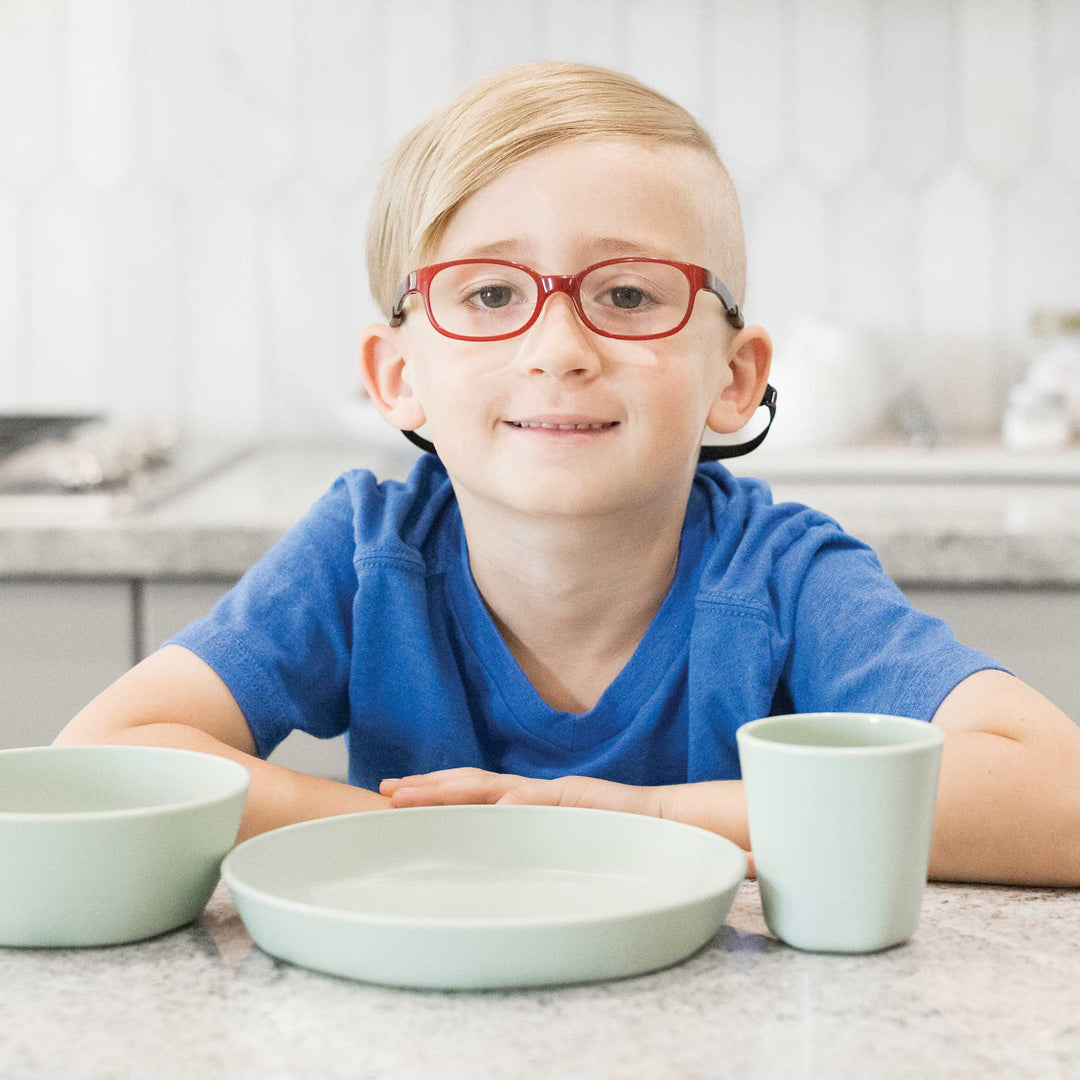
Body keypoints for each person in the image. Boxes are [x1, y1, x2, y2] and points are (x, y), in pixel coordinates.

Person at [55, 62, 1080, 887]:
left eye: (629, 294)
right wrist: (427, 837)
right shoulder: (369, 554)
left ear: (734, 378)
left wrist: (659, 819)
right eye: (492, 293)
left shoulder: (779, 575)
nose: (557, 344)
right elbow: (109, 755)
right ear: (399, 377)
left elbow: (1057, 793)